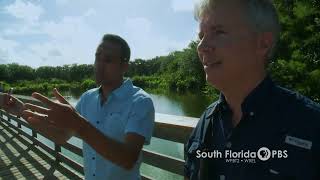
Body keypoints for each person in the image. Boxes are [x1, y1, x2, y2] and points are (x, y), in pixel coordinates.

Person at [184, 0, 320, 180]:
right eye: (201, 36)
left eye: (219, 32)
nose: (201, 46)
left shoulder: (310, 125)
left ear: (263, 43)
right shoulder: (205, 123)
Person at [21, 34, 155, 180]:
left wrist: (79, 125)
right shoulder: (87, 98)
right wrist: (22, 112)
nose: (99, 64)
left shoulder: (140, 101)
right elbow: (61, 136)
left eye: (108, 60)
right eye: (97, 57)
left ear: (124, 66)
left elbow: (128, 159)